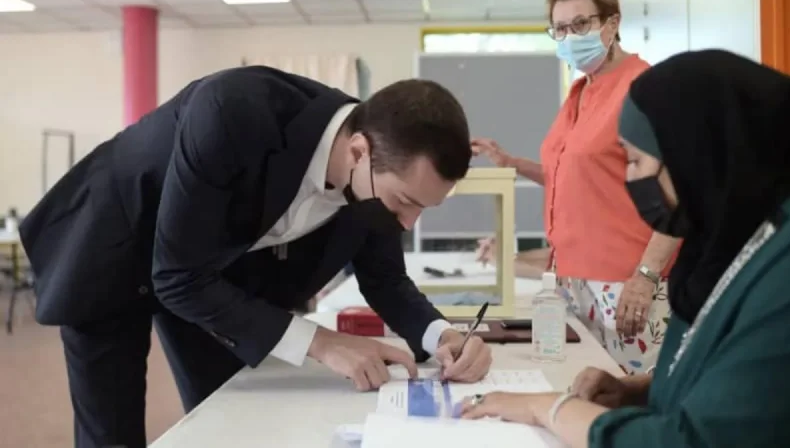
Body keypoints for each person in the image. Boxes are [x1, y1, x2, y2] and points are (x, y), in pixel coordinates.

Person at [19, 67, 493, 448]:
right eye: (405, 201)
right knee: (111, 432)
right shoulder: (235, 110)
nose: (407, 223)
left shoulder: (377, 174)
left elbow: (385, 279)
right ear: (357, 150)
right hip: (113, 253)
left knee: (230, 414)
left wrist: (442, 335)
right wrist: (325, 344)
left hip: (211, 277)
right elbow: (178, 275)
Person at [457, 49, 790, 447]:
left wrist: (547, 408)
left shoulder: (788, 268)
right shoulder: (738, 239)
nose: (628, 179)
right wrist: (641, 392)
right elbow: (731, 381)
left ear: (693, 154)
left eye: (635, 161)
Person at [472, 0, 681, 373]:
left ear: (612, 23)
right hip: (571, 283)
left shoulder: (645, 89)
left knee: (634, 400)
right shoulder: (581, 91)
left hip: (628, 286)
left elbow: (679, 194)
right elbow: (576, 178)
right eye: (560, 28)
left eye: (580, 24)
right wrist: (514, 164)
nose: (570, 36)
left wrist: (645, 277)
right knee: (586, 391)